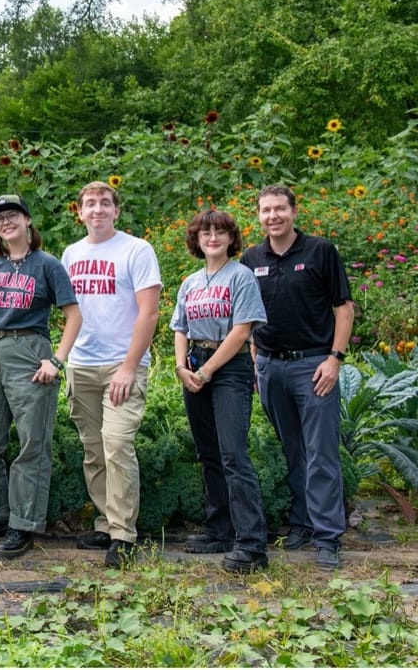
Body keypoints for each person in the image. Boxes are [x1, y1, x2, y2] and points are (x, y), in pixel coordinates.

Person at [241, 183, 353, 570]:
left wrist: (335, 358)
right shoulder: (250, 258)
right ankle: (303, 523)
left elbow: (344, 307)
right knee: (293, 450)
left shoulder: (320, 251)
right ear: (259, 216)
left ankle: (327, 537)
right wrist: (254, 353)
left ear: (294, 211)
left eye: (280, 209)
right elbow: (246, 312)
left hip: (314, 366)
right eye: (266, 210)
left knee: (321, 452)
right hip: (271, 367)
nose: (273, 216)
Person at [0, 194, 81, 558]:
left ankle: (23, 525)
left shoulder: (47, 264)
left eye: (12, 215)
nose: (5, 222)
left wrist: (56, 360)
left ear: (28, 220)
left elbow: (74, 316)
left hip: (29, 352)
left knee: (31, 443)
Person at [61, 181, 161, 567]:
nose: (98, 209)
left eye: (105, 203)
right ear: (80, 212)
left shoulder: (136, 250)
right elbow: (69, 311)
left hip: (123, 365)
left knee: (117, 445)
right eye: (90, 203)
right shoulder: (71, 254)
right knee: (94, 450)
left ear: (116, 211)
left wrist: (129, 367)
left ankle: (123, 534)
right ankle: (105, 522)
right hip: (82, 364)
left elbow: (149, 312)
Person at [170, 209, 269, 573]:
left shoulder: (241, 277)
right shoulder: (191, 282)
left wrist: (208, 370)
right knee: (208, 452)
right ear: (196, 240)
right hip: (195, 365)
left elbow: (242, 331)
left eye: (220, 232)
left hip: (229, 368)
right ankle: (219, 529)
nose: (212, 238)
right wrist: (182, 368)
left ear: (231, 238)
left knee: (233, 455)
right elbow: (180, 328)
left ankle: (252, 544)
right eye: (205, 232)